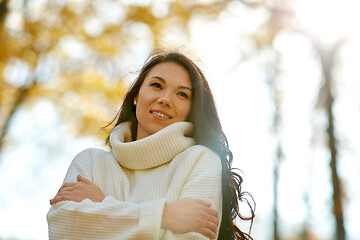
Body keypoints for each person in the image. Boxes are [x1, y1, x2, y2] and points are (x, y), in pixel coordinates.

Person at [47, 49, 255, 239]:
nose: (165, 99)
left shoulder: (200, 161)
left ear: (191, 110)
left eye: (182, 94)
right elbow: (63, 230)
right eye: (157, 85)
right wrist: (164, 216)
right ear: (137, 95)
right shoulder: (90, 162)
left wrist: (102, 206)